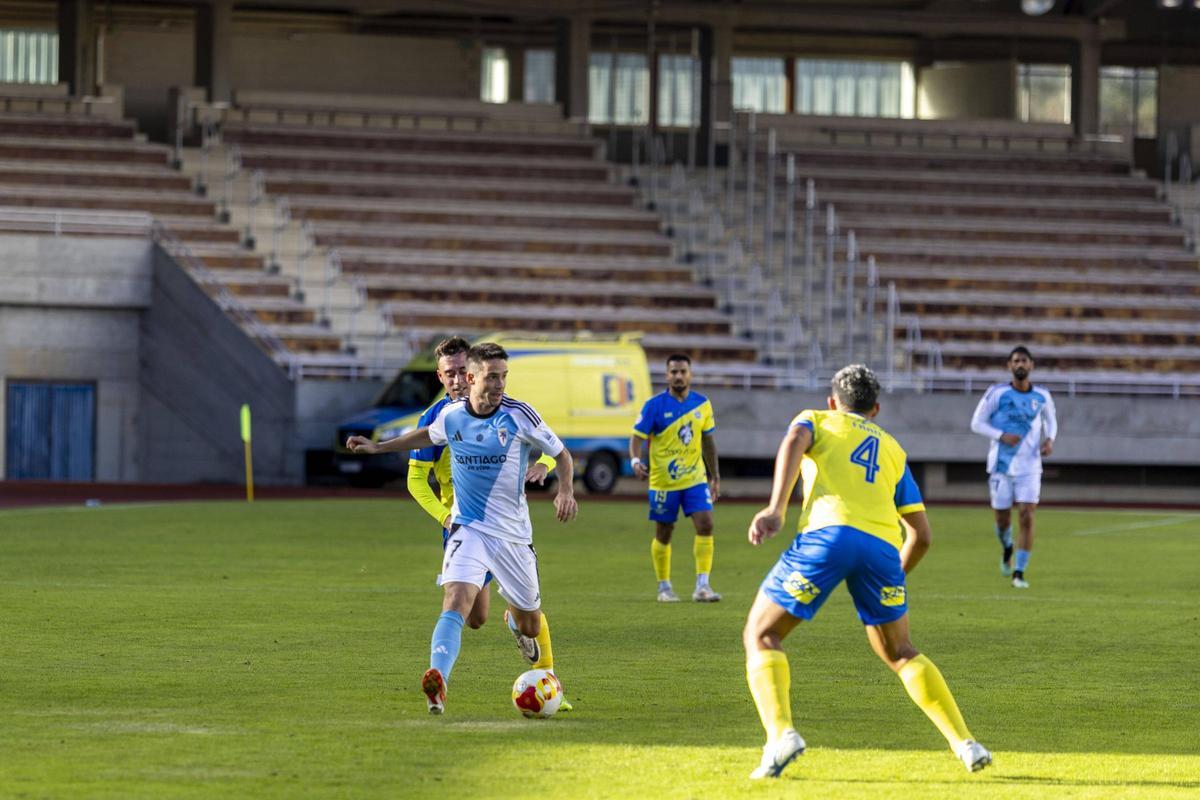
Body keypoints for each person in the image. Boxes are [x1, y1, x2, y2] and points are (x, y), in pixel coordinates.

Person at [742, 364, 991, 780]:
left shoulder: (816, 419)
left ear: (831, 401)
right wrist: (894, 576)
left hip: (829, 534)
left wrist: (776, 508)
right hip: (881, 551)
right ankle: (965, 742)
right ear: (875, 408)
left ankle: (781, 734)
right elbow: (922, 535)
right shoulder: (893, 449)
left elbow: (794, 439)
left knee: (761, 634)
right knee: (900, 651)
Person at [347, 342, 578, 714]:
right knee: (456, 602)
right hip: (467, 528)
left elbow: (562, 453)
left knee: (531, 624)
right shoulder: (451, 415)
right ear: (473, 378)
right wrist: (378, 448)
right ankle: (438, 681)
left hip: (513, 537)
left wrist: (564, 489)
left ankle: (519, 626)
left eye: (503, 376)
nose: (500, 384)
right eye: (492, 377)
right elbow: (425, 436)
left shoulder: (519, 415)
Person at [406, 337, 570, 710]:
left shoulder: (503, 407)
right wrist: (445, 516)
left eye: (462, 372)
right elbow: (416, 480)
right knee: (473, 615)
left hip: (507, 527)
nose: (457, 380)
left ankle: (545, 671)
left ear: (473, 371)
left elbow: (549, 447)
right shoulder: (436, 418)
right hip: (463, 526)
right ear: (440, 376)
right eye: (449, 374)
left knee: (525, 616)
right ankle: (439, 679)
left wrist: (543, 467)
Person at [629, 353, 721, 603]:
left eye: (683, 371)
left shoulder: (703, 404)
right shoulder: (654, 406)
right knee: (664, 532)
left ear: (690, 374)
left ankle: (703, 585)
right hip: (663, 482)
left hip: (695, 478)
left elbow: (708, 442)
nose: (678, 376)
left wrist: (715, 475)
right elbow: (636, 439)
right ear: (667, 375)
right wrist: (636, 461)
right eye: (674, 372)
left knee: (706, 524)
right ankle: (664, 587)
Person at [969, 346, 1057, 589]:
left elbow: (1051, 421)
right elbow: (976, 423)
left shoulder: (1042, 396)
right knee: (1002, 520)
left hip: (1030, 466)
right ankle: (1007, 545)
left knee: (1027, 514)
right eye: (1016, 360)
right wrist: (1001, 435)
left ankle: (1019, 572)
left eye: (1024, 361)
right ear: (1009, 366)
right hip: (1001, 466)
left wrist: (1049, 439)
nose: (1020, 364)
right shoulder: (996, 393)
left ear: (1031, 366)